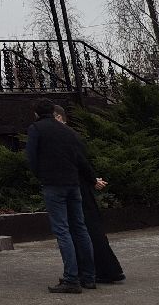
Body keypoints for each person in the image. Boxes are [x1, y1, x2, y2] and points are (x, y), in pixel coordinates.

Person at [26, 98, 98, 293]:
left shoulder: (37, 129)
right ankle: (89, 276)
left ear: (36, 113)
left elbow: (31, 157)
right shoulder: (68, 131)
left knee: (62, 230)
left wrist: (41, 175)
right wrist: (91, 178)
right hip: (73, 183)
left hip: (53, 183)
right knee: (80, 228)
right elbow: (79, 157)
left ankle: (71, 278)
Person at [53, 105, 124, 284]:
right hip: (80, 185)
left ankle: (103, 270)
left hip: (78, 187)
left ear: (59, 117)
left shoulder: (65, 136)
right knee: (87, 228)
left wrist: (92, 179)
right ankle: (100, 270)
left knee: (87, 228)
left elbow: (80, 161)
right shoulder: (70, 135)